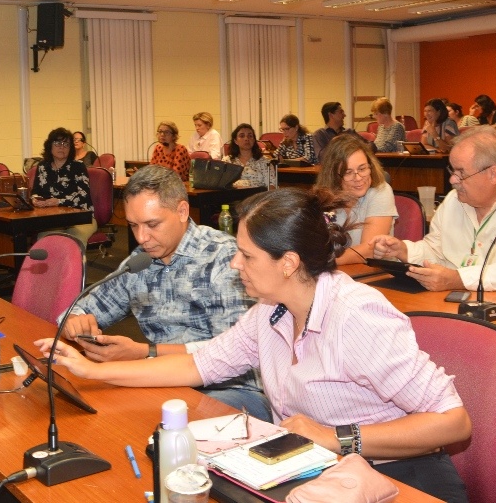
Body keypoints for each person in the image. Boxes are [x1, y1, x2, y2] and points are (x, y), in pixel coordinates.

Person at [37, 186, 472, 503]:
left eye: (246, 255)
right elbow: (200, 364)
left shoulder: (355, 315)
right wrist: (93, 371)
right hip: (319, 472)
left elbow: (454, 423)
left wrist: (336, 437)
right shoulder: (272, 308)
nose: (234, 262)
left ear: (288, 263)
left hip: (400, 480)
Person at [40, 164, 269, 420]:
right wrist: (76, 320)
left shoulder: (224, 260)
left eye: (152, 224)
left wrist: (146, 352)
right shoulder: (141, 261)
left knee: (160, 423)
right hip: (161, 377)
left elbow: (233, 354)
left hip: (231, 389)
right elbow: (81, 308)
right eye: (133, 225)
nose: (141, 237)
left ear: (182, 211)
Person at [372, 126, 496, 296]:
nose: (452, 180)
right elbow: (436, 249)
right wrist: (403, 250)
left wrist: (457, 279)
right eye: (452, 170)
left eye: (461, 173)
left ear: (492, 174)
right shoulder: (455, 200)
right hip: (466, 302)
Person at [317, 135, 397, 265]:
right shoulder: (326, 198)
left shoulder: (381, 191)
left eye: (362, 169)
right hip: (339, 274)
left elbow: (369, 249)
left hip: (376, 273)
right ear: (333, 176)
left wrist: (325, 262)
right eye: (348, 172)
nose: (358, 178)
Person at [30, 128, 97, 248]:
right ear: (49, 146)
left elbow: (83, 194)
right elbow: (35, 191)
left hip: (81, 217)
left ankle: (75, 267)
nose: (62, 147)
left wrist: (58, 201)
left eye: (66, 144)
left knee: (75, 239)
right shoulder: (42, 167)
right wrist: (35, 199)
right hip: (53, 219)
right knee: (46, 240)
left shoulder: (78, 166)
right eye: (58, 143)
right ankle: (53, 267)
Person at [222, 123, 271, 188]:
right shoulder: (227, 161)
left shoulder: (264, 162)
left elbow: (271, 185)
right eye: (242, 136)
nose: (246, 139)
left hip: (258, 196)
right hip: (234, 196)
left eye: (250, 136)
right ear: (235, 141)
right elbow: (222, 185)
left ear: (254, 140)